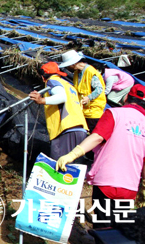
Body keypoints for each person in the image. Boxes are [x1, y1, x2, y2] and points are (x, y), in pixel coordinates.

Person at [56, 84, 145, 228]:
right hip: (130, 187)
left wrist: (72, 155)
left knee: (103, 226)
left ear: (127, 97)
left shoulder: (115, 114)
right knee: (118, 229)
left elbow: (97, 137)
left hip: (107, 181)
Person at [29, 62, 88, 161]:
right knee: (71, 168)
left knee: (59, 165)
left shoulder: (52, 81)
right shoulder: (69, 85)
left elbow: (61, 97)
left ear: (44, 77)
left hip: (66, 129)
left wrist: (42, 100)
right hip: (79, 128)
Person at [58, 50, 106, 131]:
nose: (67, 68)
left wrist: (88, 98)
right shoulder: (77, 74)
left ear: (73, 64)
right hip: (83, 109)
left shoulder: (90, 71)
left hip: (93, 111)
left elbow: (99, 89)